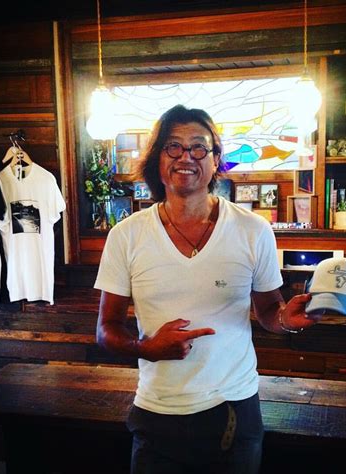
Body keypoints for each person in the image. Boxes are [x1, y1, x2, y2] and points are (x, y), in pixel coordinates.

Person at [94, 104, 321, 474]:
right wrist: (146, 349)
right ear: (157, 159)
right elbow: (106, 329)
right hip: (157, 413)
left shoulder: (253, 230)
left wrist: (288, 320)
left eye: (199, 147)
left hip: (234, 411)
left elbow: (269, 311)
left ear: (216, 160)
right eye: (173, 146)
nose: (186, 156)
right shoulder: (126, 236)